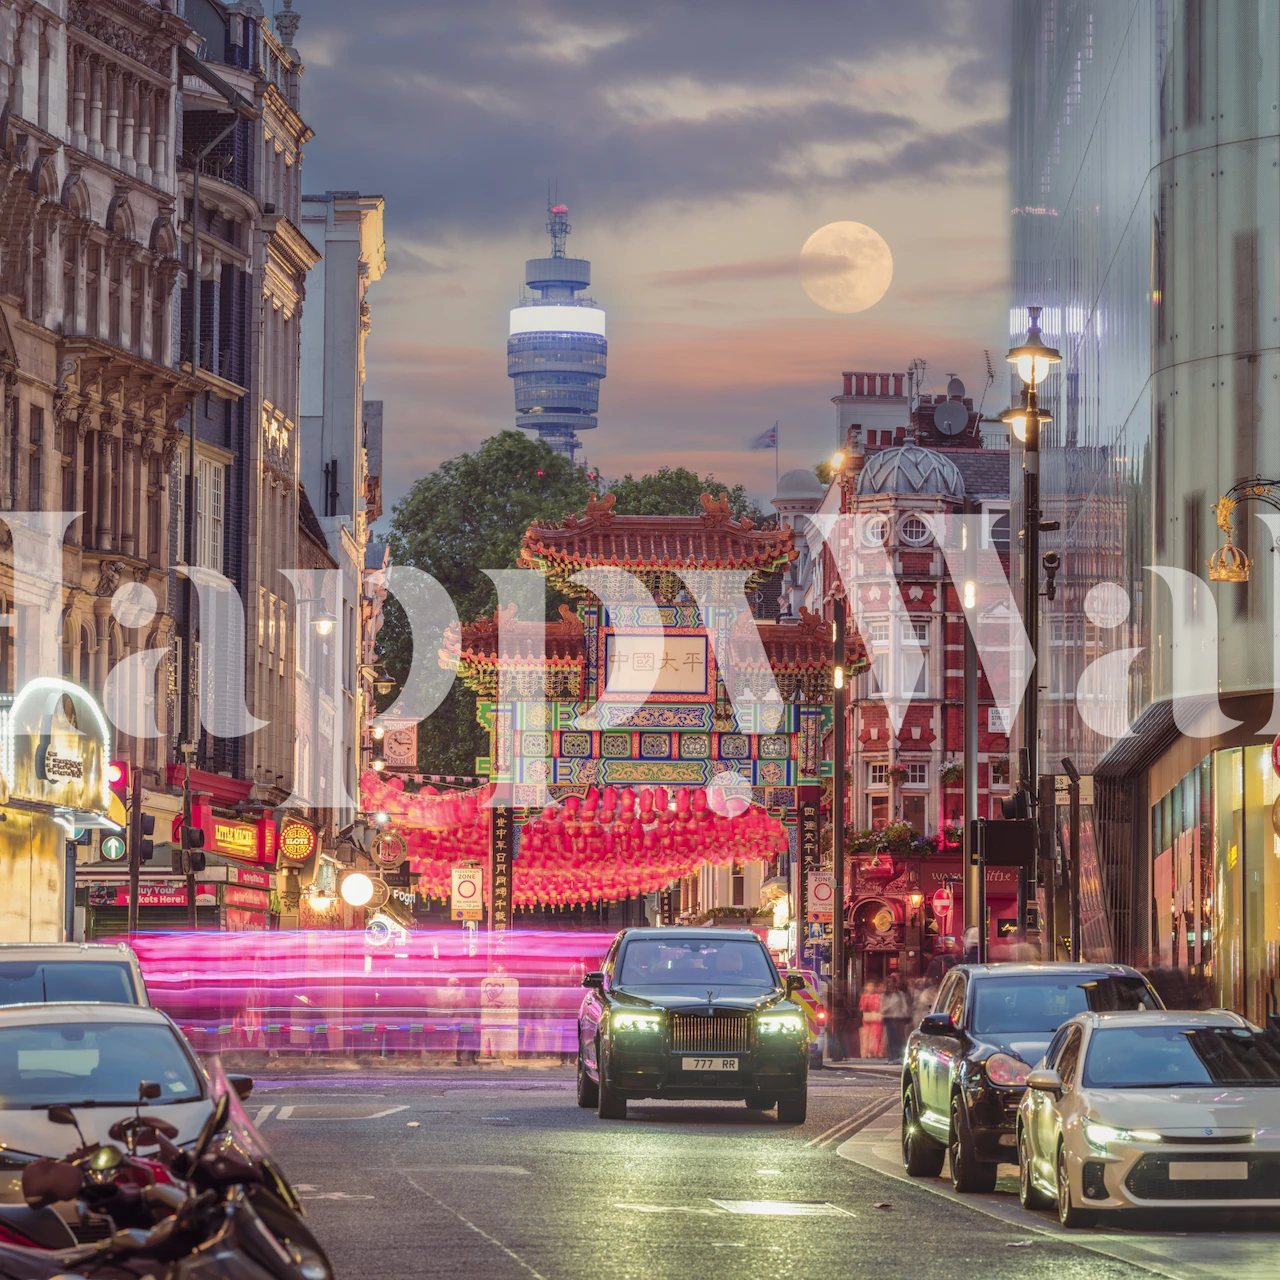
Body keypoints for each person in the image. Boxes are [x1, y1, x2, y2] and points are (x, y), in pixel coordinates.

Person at [880, 975, 910, 1061]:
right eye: (888, 983)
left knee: (900, 1038)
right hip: (888, 1018)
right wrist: (889, 1006)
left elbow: (905, 1006)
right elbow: (882, 1009)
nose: (890, 984)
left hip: (898, 1018)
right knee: (891, 1038)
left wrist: (905, 1015)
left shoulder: (900, 994)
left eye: (892, 982)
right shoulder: (884, 996)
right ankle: (892, 1056)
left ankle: (900, 1056)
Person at [858, 980, 884, 1059]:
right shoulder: (864, 996)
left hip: (876, 1017)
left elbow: (880, 1006)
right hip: (867, 1017)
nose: (871, 988)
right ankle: (866, 1052)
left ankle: (876, 1052)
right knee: (866, 1035)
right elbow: (861, 1007)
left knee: (876, 1035)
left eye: (872, 986)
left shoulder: (878, 996)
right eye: (869, 986)